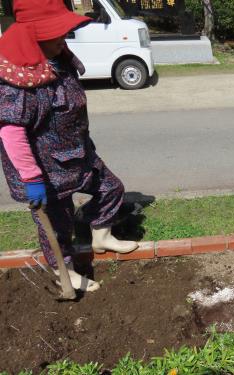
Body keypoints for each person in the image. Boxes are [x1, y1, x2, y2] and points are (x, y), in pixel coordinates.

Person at [0, 0, 139, 292]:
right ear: (34, 36)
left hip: (78, 153)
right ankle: (66, 271)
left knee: (111, 188)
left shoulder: (59, 59)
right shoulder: (17, 79)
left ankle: (101, 236)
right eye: (56, 33)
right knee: (57, 226)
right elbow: (11, 133)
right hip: (45, 169)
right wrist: (31, 178)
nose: (64, 38)